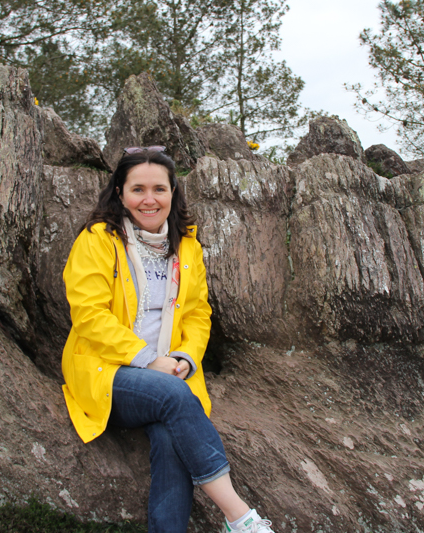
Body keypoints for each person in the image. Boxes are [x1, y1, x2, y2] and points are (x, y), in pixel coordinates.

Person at [60, 147, 275, 533]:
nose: (149, 199)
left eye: (159, 189)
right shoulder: (97, 240)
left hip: (169, 370)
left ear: (172, 193)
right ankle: (240, 518)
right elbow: (89, 315)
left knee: (169, 432)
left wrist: (186, 359)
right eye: (137, 189)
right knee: (175, 397)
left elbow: (198, 313)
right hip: (107, 372)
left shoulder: (187, 247)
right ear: (120, 193)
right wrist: (146, 359)